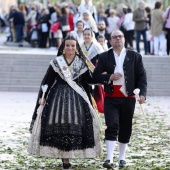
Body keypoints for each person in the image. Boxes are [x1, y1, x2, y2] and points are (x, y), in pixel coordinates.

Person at [27, 35, 102, 169]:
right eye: (67, 45)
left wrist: (105, 78)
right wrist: (42, 96)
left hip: (77, 99)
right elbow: (47, 81)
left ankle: (71, 154)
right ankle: (64, 158)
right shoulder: (57, 62)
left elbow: (89, 80)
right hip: (57, 99)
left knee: (75, 125)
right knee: (61, 125)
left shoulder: (81, 62)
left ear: (76, 48)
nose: (70, 48)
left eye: (73, 45)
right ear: (63, 47)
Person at [93, 30, 147, 168]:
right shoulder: (104, 56)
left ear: (124, 39)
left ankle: (122, 158)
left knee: (125, 126)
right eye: (114, 37)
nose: (118, 39)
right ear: (110, 41)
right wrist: (109, 77)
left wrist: (142, 94)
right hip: (110, 97)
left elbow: (142, 76)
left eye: (120, 36)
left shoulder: (135, 56)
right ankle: (109, 159)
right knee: (112, 125)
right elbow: (95, 76)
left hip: (128, 98)